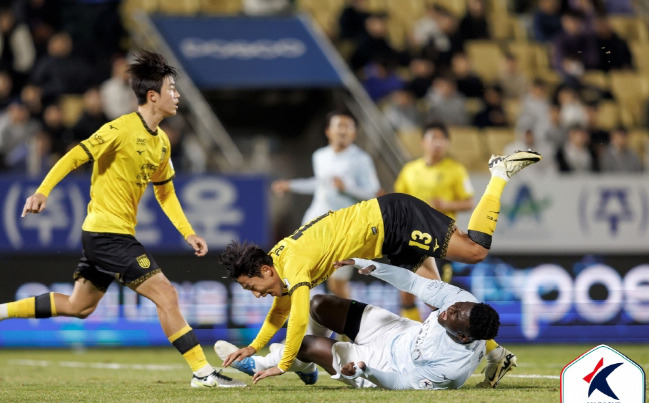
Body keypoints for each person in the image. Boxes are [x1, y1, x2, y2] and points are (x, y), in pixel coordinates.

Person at [0, 50, 244, 389]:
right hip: (107, 234)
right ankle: (203, 373)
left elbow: (165, 192)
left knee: (78, 305)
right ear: (152, 96)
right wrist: (42, 191)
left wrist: (188, 233)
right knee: (167, 295)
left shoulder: (161, 143)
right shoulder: (120, 128)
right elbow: (75, 154)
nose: (177, 95)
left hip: (108, 235)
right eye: (172, 88)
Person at [218, 148, 541, 384]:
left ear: (265, 272)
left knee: (473, 252)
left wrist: (284, 363)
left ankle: (499, 173)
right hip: (386, 240)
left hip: (393, 220)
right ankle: (498, 355)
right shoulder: (279, 263)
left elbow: (298, 316)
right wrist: (253, 346)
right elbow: (281, 310)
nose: (256, 294)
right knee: (436, 301)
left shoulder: (294, 265)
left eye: (251, 287)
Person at [215, 258, 517, 390]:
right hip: (395, 331)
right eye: (455, 308)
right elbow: (412, 281)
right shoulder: (463, 302)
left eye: (452, 317)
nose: (446, 311)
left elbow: (400, 384)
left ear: (463, 337)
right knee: (319, 304)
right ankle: (305, 367)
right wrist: (366, 265)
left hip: (381, 364)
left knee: (304, 345)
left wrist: (365, 370)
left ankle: (262, 364)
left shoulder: (450, 371)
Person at [271, 109, 380, 300]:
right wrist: (291, 185)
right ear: (328, 131)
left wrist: (347, 187)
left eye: (348, 127)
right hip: (316, 221)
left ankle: (352, 326)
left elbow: (373, 192)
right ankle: (306, 323)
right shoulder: (320, 156)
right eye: (339, 125)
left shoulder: (361, 159)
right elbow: (320, 183)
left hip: (344, 228)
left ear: (354, 133)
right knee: (302, 272)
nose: (343, 131)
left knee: (337, 284)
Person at [393, 122, 474, 321]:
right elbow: (397, 200)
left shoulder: (456, 170)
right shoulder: (409, 170)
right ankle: (413, 340)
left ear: (447, 143)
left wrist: (446, 203)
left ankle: (446, 342)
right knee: (406, 292)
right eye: (433, 138)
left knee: (436, 297)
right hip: (412, 238)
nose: (437, 143)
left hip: (440, 239)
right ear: (423, 142)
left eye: (442, 139)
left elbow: (469, 202)